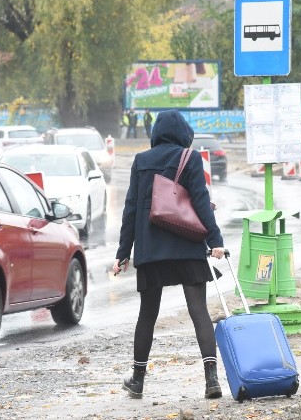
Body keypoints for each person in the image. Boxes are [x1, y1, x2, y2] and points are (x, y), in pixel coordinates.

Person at [113, 109, 225, 400]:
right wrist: (215, 241)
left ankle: (137, 381)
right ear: (182, 132)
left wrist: (123, 252)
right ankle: (211, 380)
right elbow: (200, 202)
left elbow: (131, 210)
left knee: (147, 315)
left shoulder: (141, 161)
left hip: (151, 251)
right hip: (187, 246)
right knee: (198, 310)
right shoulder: (190, 158)